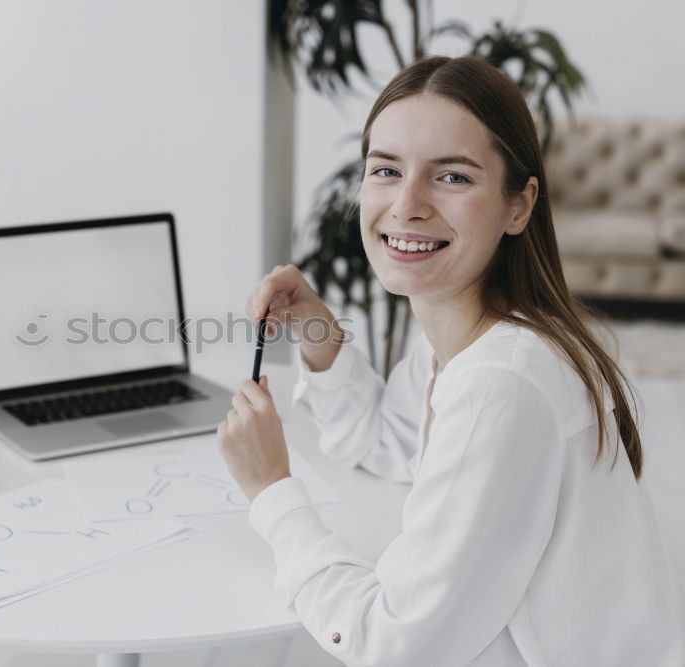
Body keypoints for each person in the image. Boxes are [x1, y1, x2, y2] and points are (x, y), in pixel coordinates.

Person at [216, 56, 684, 666]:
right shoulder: (468, 334)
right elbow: (391, 442)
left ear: (519, 205)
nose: (407, 204)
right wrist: (320, 336)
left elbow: (394, 645)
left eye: (453, 178)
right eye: (386, 169)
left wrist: (272, 490)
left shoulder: (503, 382)